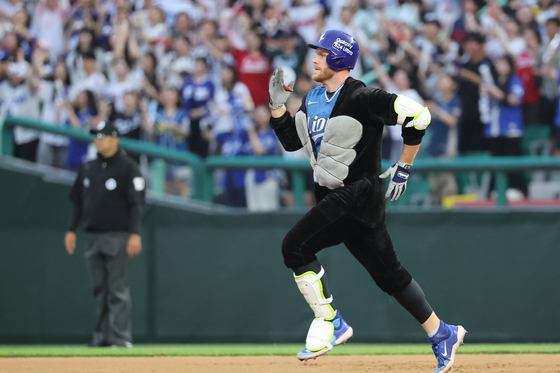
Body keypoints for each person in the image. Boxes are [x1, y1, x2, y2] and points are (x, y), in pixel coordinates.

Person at [268, 30, 466, 373]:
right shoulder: (313, 98)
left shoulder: (364, 96)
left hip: (358, 195)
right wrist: (276, 107)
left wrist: (404, 166)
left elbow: (419, 116)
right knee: (390, 276)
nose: (314, 58)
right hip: (337, 199)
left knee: (295, 246)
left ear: (339, 58)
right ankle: (442, 333)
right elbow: (290, 143)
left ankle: (331, 320)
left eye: (321, 52)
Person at [64, 121, 145, 348]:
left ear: (115, 138)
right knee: (100, 289)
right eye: (95, 136)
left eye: (102, 135)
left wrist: (134, 233)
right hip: (92, 236)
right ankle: (102, 338)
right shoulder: (88, 167)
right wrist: (71, 229)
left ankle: (121, 338)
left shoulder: (128, 167)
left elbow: (136, 204)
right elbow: (77, 203)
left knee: (116, 290)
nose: (97, 140)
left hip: (117, 235)